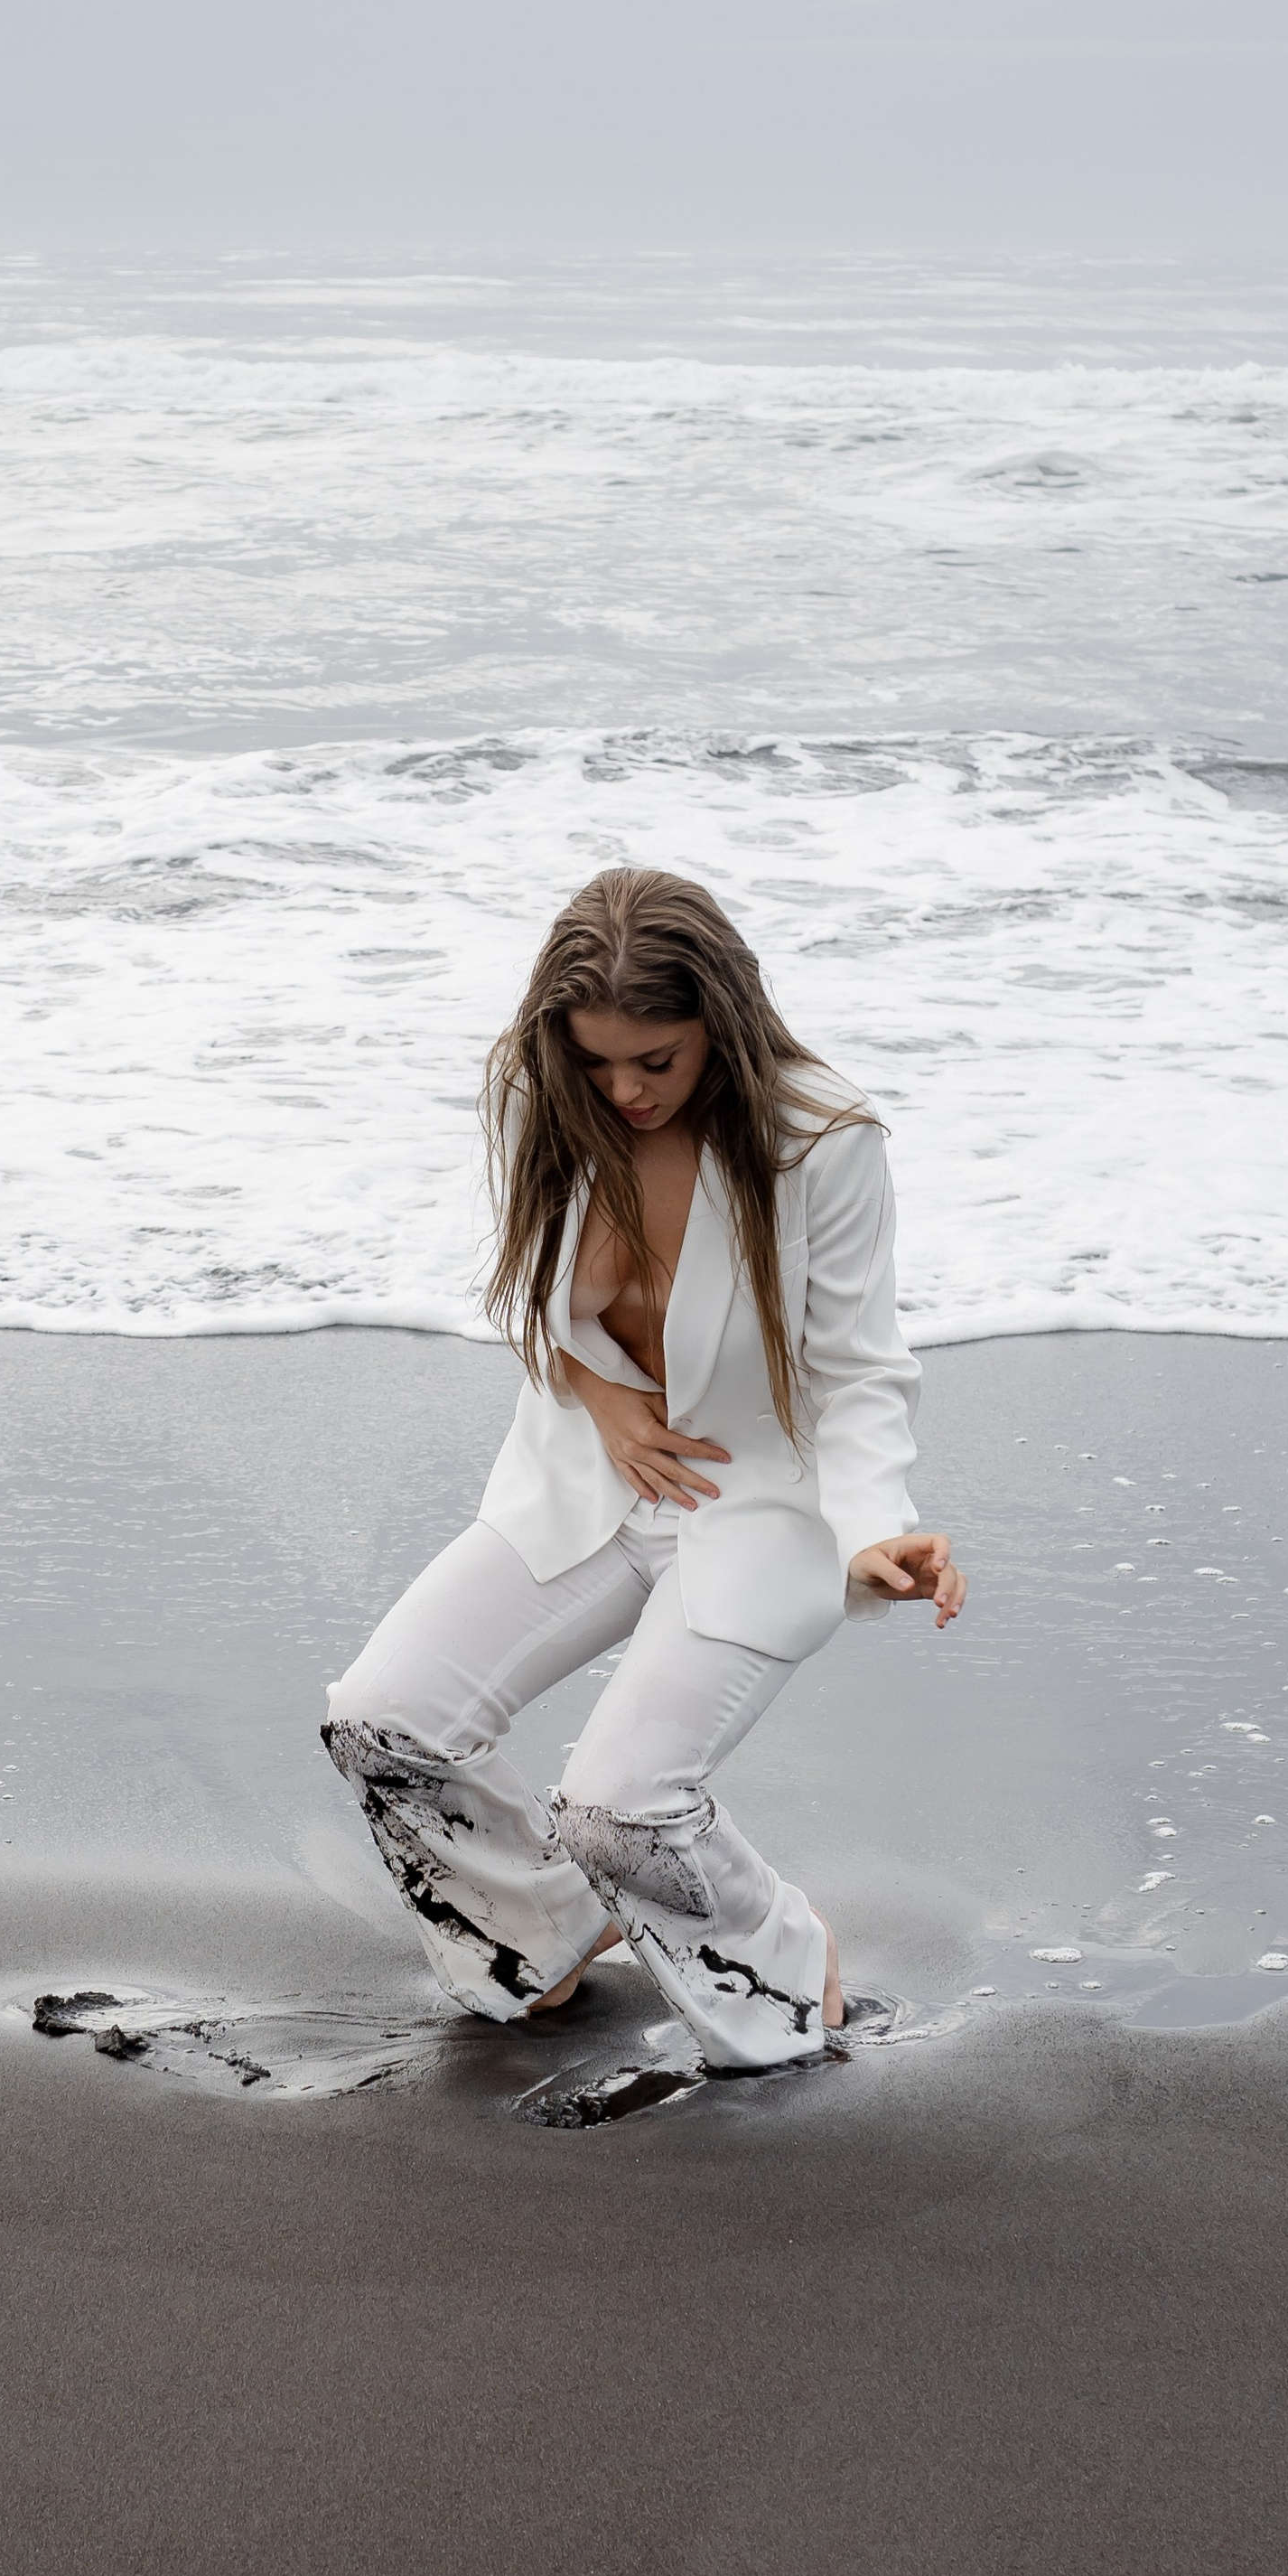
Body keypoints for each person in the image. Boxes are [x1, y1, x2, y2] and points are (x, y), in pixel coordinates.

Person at [322, 866, 965, 2074]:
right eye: (597, 1060)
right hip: (583, 1480)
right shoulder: (539, 1090)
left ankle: (776, 1956)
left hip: (757, 1503)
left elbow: (862, 1366)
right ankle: (546, 1927)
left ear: (720, 1026)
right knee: (380, 1722)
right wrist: (607, 1399)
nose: (623, 1089)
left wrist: (877, 1526)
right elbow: (540, 1297)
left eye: (655, 1062)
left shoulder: (823, 1141)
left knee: (615, 1808)